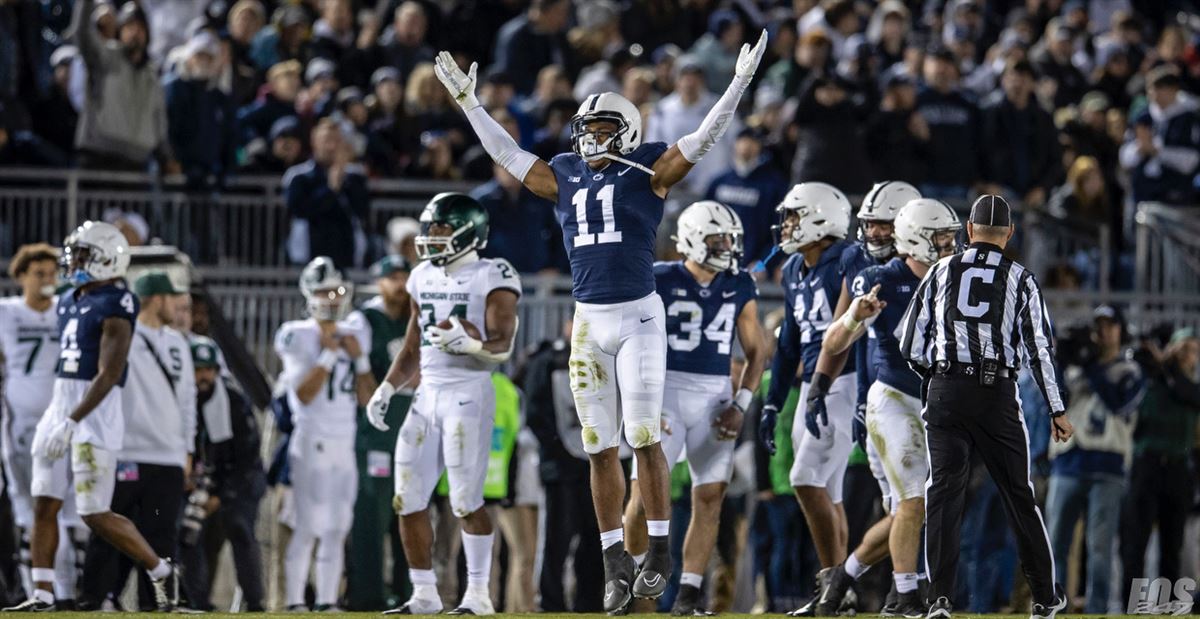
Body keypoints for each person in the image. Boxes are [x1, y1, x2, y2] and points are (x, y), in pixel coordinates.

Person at [433, 28, 767, 613]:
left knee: (642, 436)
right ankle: (615, 557)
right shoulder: (564, 173)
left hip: (639, 316)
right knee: (597, 446)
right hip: (588, 320)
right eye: (584, 129)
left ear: (628, 131)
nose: (589, 137)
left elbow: (703, 137)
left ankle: (659, 550)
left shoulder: (648, 170)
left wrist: (737, 84)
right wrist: (470, 104)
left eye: (601, 129)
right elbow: (508, 156)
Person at [898, 195, 1072, 619]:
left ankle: (939, 598)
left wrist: (938, 380)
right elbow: (1040, 351)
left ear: (968, 231)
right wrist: (1056, 409)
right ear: (1010, 234)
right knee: (1018, 495)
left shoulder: (940, 271)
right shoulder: (1021, 278)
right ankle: (1046, 598)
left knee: (943, 493)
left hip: (945, 388)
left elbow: (909, 343)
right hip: (996, 392)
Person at [5, 222, 180, 613]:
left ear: (107, 259)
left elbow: (110, 373)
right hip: (60, 402)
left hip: (94, 411)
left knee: (93, 513)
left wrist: (72, 420)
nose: (74, 262)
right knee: (43, 503)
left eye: (82, 255)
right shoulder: (70, 298)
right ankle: (44, 593)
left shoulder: (118, 302)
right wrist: (59, 415)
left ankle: (161, 570)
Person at [363, 193, 521, 615]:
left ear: (469, 231)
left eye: (441, 229)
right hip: (426, 393)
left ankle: (478, 595)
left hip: (469, 391)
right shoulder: (420, 276)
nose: (431, 238)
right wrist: (387, 388)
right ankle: (424, 594)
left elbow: (503, 344)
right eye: (429, 228)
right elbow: (413, 345)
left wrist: (472, 342)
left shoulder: (494, 273)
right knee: (407, 498)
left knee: (466, 501)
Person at [621, 201, 767, 615]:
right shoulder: (658, 279)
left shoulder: (740, 284)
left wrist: (741, 402)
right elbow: (629, 340)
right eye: (716, 238)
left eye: (729, 239)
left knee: (711, 496)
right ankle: (633, 584)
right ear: (689, 240)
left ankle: (688, 593)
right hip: (664, 391)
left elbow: (757, 353)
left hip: (715, 395)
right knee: (644, 497)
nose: (726, 246)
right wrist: (638, 399)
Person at [820, 198, 963, 617]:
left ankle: (843, 576)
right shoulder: (880, 279)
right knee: (912, 503)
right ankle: (904, 596)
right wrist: (853, 318)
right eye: (941, 237)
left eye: (951, 236)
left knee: (909, 511)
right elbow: (833, 345)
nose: (950, 244)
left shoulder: (956, 280)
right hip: (895, 401)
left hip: (937, 406)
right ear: (917, 240)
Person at [757, 182, 859, 617]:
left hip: (847, 381)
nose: (787, 224)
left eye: (795, 216)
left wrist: (821, 386)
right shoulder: (795, 269)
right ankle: (840, 595)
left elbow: (851, 333)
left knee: (804, 478)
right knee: (829, 492)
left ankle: (833, 583)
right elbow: (788, 347)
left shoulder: (848, 259)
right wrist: (772, 402)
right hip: (811, 388)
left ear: (820, 217)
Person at [79, 272, 195, 610]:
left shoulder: (179, 343)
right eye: (173, 299)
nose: (178, 306)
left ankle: (154, 604)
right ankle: (95, 599)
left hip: (168, 456)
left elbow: (188, 401)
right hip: (127, 450)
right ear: (157, 299)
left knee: (161, 536)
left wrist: (186, 449)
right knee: (109, 531)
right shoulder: (123, 333)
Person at [274, 256, 377, 611]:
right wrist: (329, 356)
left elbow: (367, 398)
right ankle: (293, 602)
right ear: (308, 293)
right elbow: (303, 394)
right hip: (311, 438)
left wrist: (360, 360)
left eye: (336, 290)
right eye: (324, 290)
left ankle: (328, 600)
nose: (332, 297)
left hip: (344, 439)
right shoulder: (296, 333)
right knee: (307, 524)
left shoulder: (355, 330)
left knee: (337, 526)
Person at [1046, 305, 1143, 614]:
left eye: (1110, 325)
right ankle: (1055, 605)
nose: (1103, 332)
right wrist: (1061, 358)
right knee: (1055, 544)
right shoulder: (1076, 365)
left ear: (1121, 330)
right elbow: (1053, 398)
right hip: (1068, 461)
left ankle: (1097, 609)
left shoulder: (1131, 370)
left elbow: (1119, 403)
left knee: (1099, 547)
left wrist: (1090, 367)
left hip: (1108, 466)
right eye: (1098, 325)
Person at [0, 245, 78, 604]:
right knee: (28, 511)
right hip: (19, 423)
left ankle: (62, 593)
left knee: (62, 511)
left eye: (52, 274)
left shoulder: (69, 311)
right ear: (20, 276)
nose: (48, 281)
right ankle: (36, 592)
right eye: (39, 274)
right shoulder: (5, 312)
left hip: (64, 423)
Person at [343, 256, 414, 610]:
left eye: (405, 276)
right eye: (393, 278)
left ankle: (409, 592)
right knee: (371, 517)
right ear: (378, 282)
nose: (400, 284)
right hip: (376, 433)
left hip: (411, 429)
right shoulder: (364, 320)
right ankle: (365, 595)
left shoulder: (415, 317)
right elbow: (364, 389)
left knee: (412, 512)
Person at [521, 321, 603, 613]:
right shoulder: (546, 361)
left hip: (595, 466)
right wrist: (558, 449)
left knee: (596, 538)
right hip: (561, 465)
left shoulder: (605, 358)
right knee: (556, 539)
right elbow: (534, 413)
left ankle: (590, 600)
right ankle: (550, 601)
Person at [185, 336, 266, 611]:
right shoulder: (182, 399)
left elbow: (247, 457)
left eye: (208, 369)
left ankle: (255, 602)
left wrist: (220, 496)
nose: (203, 376)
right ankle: (197, 601)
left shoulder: (232, 401)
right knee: (191, 533)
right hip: (202, 479)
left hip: (240, 479)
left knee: (239, 527)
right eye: (198, 369)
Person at [1121, 328, 1200, 603]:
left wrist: (1166, 364)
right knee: (1136, 543)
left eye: (1192, 351)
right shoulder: (1150, 379)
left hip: (1178, 469)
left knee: (1172, 545)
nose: (1188, 356)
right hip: (1147, 466)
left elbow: (1187, 393)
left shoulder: (1190, 386)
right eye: (1184, 349)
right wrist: (1158, 365)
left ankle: (1168, 607)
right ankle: (1133, 607)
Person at [68, 0, 177, 173]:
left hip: (136, 164)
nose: (135, 32)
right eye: (129, 27)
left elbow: (159, 121)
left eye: (140, 28)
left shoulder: (153, 75)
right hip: (98, 158)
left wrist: (166, 157)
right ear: (120, 31)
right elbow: (82, 33)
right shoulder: (105, 56)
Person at [283, 119, 369, 269]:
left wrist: (343, 179)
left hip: (345, 254)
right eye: (326, 140)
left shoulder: (355, 177)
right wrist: (330, 189)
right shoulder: (299, 176)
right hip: (308, 255)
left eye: (336, 140)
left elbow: (362, 211)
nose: (331, 146)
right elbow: (299, 210)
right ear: (314, 141)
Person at [977, 59, 1060, 208]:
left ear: (1032, 84)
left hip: (1033, 197)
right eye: (1012, 77)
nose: (1017, 83)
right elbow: (976, 150)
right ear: (1003, 81)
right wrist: (985, 184)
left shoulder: (1043, 119)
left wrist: (1042, 188)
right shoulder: (988, 114)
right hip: (998, 194)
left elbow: (1055, 159)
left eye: (1023, 78)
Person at [704, 128, 789, 270]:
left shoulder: (774, 185)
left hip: (752, 268)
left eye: (752, 142)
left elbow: (780, 230)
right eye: (743, 140)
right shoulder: (719, 182)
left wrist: (765, 263)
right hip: (715, 263)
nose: (746, 146)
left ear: (760, 147)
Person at [1119, 65, 1200, 206]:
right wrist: (1140, 148)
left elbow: (1191, 161)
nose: (1154, 95)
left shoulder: (1189, 118)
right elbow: (1125, 157)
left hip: (1175, 196)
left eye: (1160, 89)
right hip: (1141, 194)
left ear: (1173, 90)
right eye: (1151, 89)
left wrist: (1157, 151)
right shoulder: (1143, 116)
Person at [489, 0, 571, 95]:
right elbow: (511, 75)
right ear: (545, 11)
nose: (565, 18)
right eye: (560, 12)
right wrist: (544, 89)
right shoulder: (516, 35)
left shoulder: (558, 35)